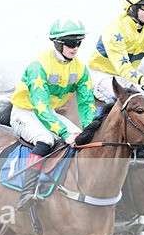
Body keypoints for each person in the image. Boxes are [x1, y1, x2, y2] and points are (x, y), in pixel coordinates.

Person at [9, 18, 97, 211]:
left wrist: (92, 129)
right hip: (25, 112)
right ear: (58, 43)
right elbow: (40, 107)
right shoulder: (38, 65)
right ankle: (28, 191)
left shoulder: (80, 69)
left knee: (83, 140)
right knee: (46, 140)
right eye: (72, 43)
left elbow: (86, 104)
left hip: (51, 113)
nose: (75, 48)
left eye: (79, 43)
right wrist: (65, 134)